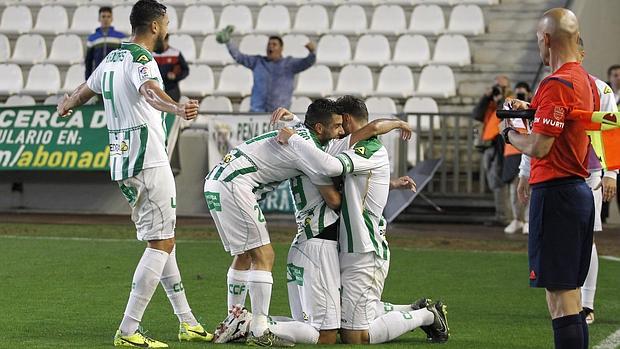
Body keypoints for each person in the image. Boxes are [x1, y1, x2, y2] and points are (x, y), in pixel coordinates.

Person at [57, 1, 212, 347]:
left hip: (123, 161)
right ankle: (128, 330)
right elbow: (149, 92)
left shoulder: (112, 58)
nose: (167, 29)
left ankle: (187, 321)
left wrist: (66, 103)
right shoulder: (143, 61)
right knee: (161, 243)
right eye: (166, 24)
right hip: (148, 159)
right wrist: (176, 107)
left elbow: (85, 91)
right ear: (155, 27)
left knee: (163, 239)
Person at [205, 99, 413, 346]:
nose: (341, 132)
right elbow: (335, 198)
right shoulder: (309, 154)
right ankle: (254, 325)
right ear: (319, 128)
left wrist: (384, 181)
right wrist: (367, 198)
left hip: (222, 183)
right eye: (336, 127)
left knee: (245, 256)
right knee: (267, 259)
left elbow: (368, 133)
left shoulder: (308, 142)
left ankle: (237, 318)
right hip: (316, 240)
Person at [501, 8, 596, 349]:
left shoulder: (555, 83)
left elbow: (539, 146)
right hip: (576, 191)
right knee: (569, 292)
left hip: (555, 192)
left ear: (545, 39)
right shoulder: (585, 81)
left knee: (560, 298)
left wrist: (508, 132)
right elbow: (563, 120)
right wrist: (527, 109)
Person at [518, 37, 618, 326]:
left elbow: (611, 130)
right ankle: (578, 304)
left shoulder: (599, 88)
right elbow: (538, 126)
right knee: (579, 244)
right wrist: (525, 170)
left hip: (588, 175)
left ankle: (586, 303)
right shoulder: (553, 83)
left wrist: (611, 172)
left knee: (588, 240)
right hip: (562, 176)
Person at [216, 25, 316, 112]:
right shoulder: (258, 62)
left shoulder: (289, 64)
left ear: (281, 49)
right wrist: (228, 42)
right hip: (257, 114)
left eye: (274, 45)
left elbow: (307, 62)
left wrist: (312, 52)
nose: (270, 47)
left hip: (279, 115)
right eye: (269, 44)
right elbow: (239, 56)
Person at [473, 75, 513, 226]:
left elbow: (507, 113)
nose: (498, 89)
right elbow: (476, 114)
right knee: (493, 180)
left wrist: (500, 99)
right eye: (496, 86)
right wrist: (486, 97)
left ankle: (504, 217)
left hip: (501, 145)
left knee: (499, 180)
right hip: (488, 145)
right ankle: (500, 214)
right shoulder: (490, 102)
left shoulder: (510, 98)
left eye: (501, 87)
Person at [502, 82, 532, 234]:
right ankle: (517, 219)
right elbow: (501, 126)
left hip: (527, 150)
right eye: (518, 93)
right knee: (514, 189)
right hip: (512, 153)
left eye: (523, 93)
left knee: (529, 189)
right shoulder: (508, 106)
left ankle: (528, 220)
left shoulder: (531, 107)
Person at [85, 6, 127, 80]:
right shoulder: (92, 38)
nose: (106, 19)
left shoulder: (121, 37)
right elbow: (89, 61)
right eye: (103, 16)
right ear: (99, 19)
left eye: (108, 16)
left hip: (116, 76)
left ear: (112, 19)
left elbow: (125, 59)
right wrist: (87, 79)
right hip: (98, 76)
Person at [152, 34, 189, 102]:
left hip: (171, 89)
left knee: (172, 110)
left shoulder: (175, 53)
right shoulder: (151, 54)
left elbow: (185, 70)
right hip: (156, 88)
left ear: (167, 40)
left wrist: (176, 76)